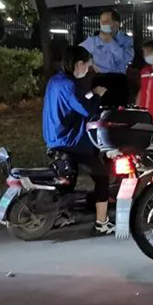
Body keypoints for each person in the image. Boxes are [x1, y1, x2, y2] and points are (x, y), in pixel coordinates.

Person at [42, 46, 113, 234]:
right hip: (71, 142)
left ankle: (62, 215)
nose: (87, 70)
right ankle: (102, 223)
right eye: (87, 66)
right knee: (101, 176)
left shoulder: (55, 81)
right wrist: (97, 95)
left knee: (67, 181)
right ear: (79, 64)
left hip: (55, 139)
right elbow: (86, 109)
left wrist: (91, 92)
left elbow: (75, 101)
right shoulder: (70, 85)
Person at [80, 9, 134, 107]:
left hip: (119, 81)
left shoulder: (126, 40)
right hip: (100, 79)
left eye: (106, 21)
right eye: (101, 22)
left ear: (116, 24)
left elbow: (127, 57)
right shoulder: (94, 41)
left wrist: (110, 42)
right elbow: (77, 52)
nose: (103, 24)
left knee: (118, 113)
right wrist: (91, 62)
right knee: (98, 111)